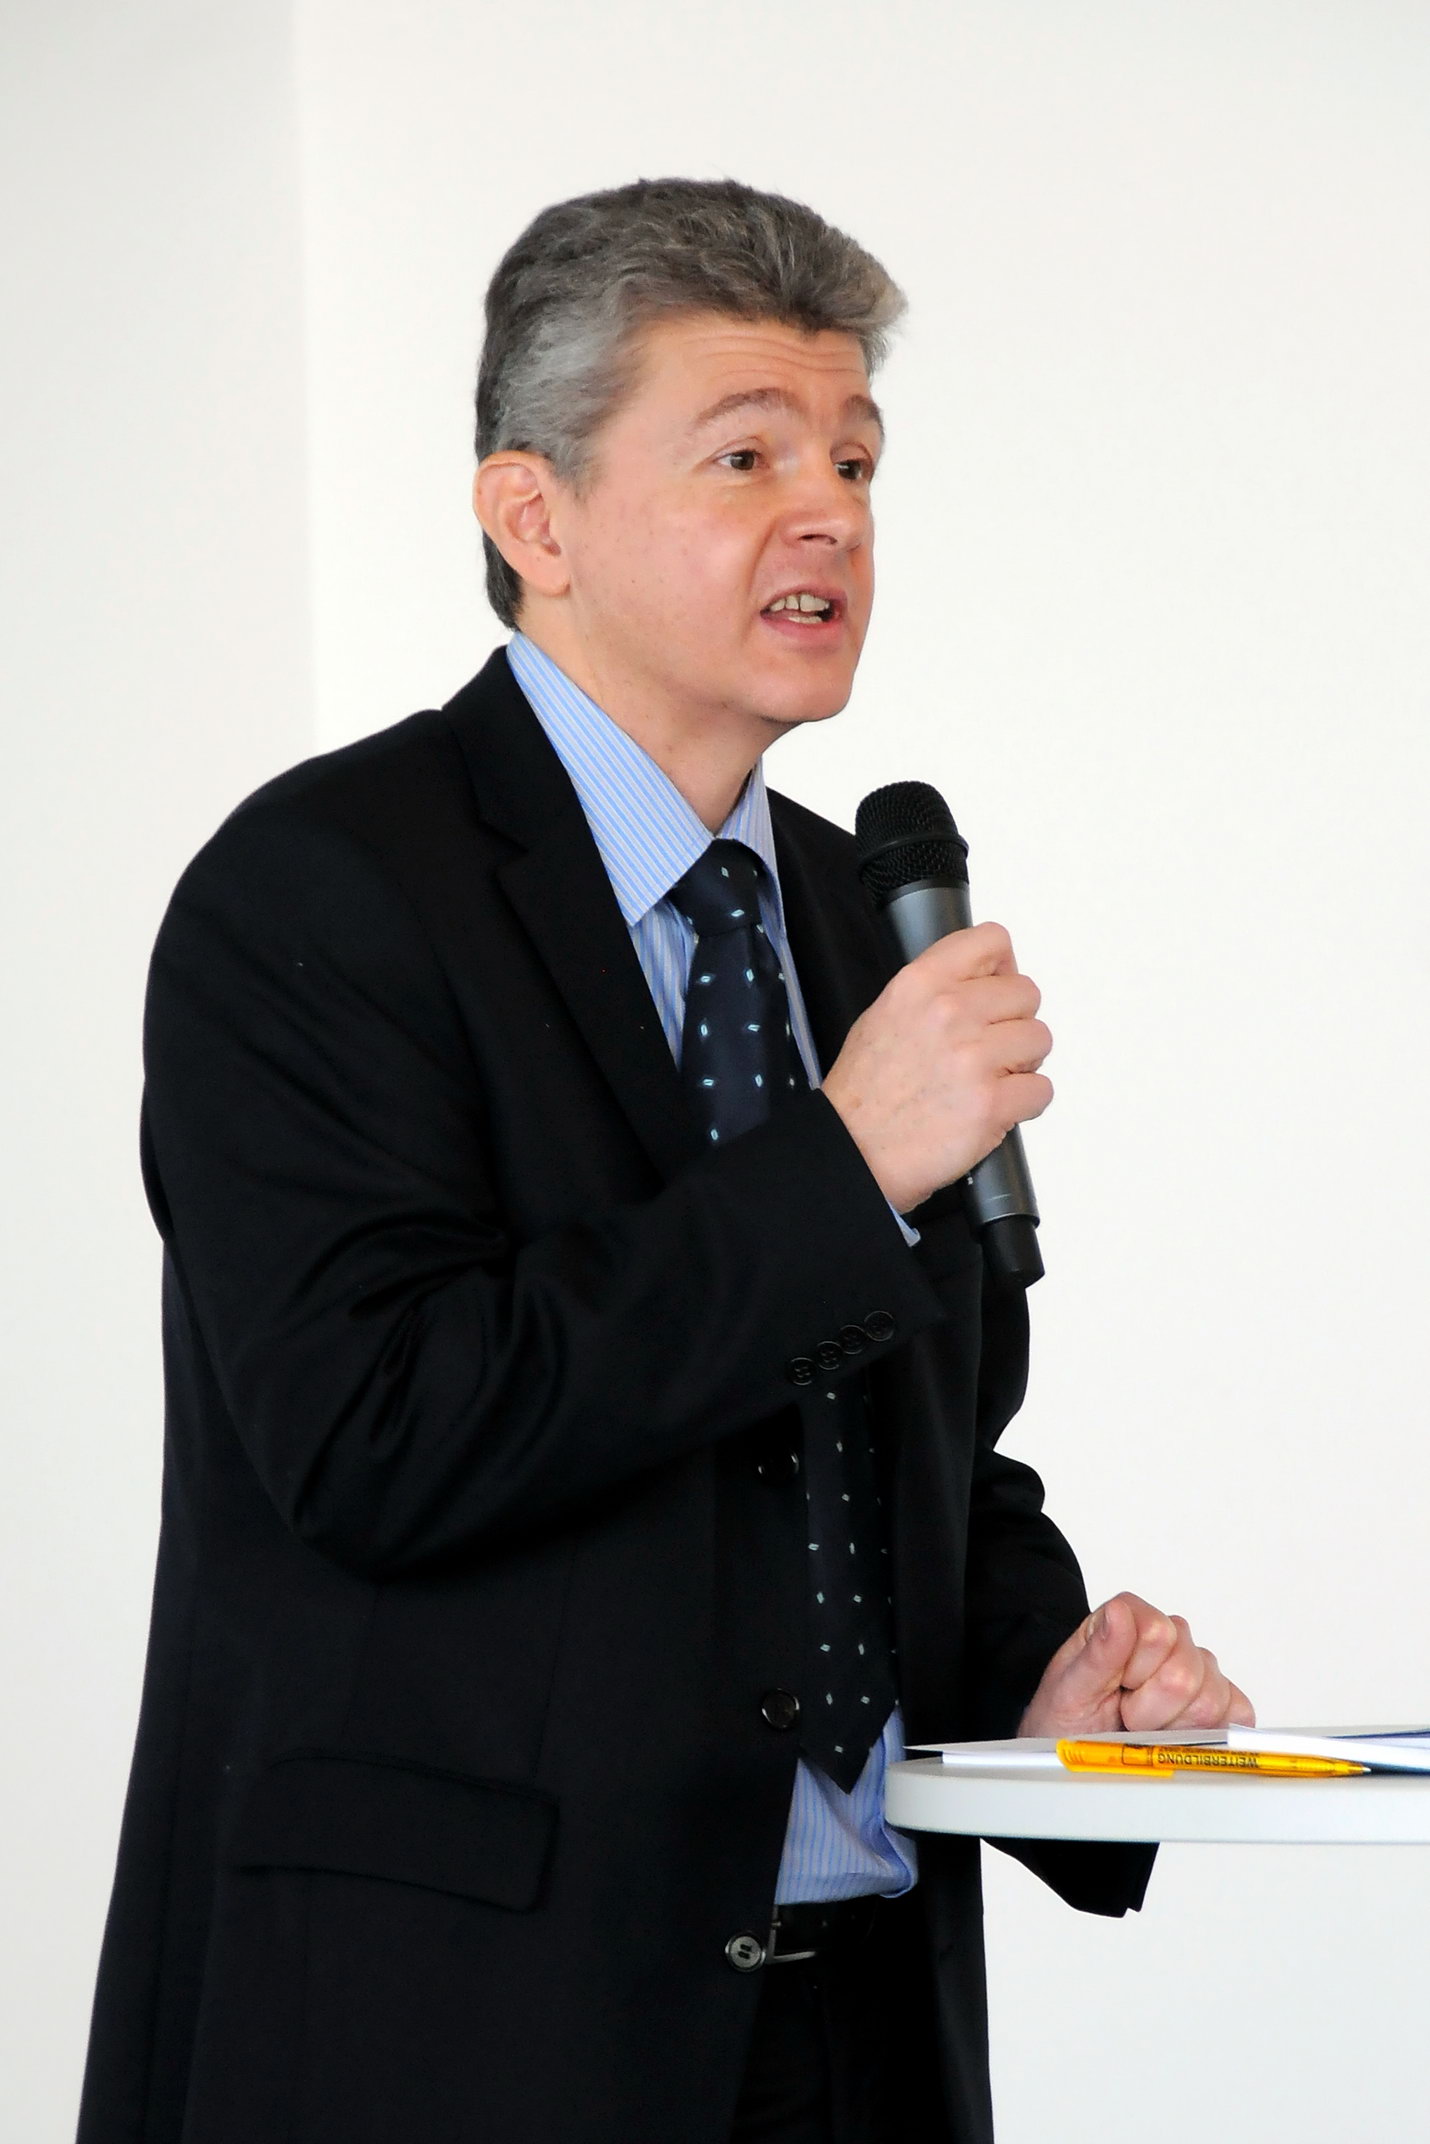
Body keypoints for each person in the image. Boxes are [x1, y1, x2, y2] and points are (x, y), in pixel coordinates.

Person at [78, 178, 1250, 2144]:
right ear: (533, 520)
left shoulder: (849, 915)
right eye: (746, 455)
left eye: (855, 459)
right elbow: (376, 1434)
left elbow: (902, 1457)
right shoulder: (322, 890)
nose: (830, 516)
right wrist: (841, 1167)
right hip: (457, 2041)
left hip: (858, 2030)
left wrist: (1036, 1696)